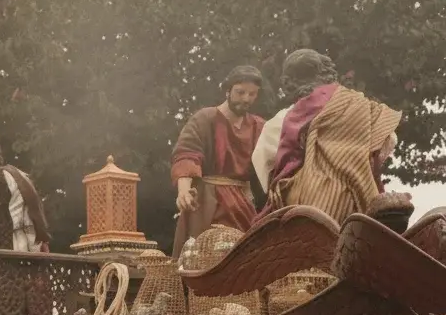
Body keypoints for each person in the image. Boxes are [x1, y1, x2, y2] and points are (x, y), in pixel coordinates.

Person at [254, 49, 402, 225]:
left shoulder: (281, 119)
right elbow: (389, 140)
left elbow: (262, 163)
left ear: (289, 83)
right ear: (325, 73)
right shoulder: (362, 105)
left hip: (303, 210)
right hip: (361, 204)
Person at [170, 66, 266, 256]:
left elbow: (273, 165)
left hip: (242, 204)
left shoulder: (259, 126)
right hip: (208, 202)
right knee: (202, 256)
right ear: (227, 90)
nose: (246, 98)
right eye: (240, 92)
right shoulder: (205, 119)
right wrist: (183, 192)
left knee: (245, 259)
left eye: (252, 94)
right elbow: (187, 154)